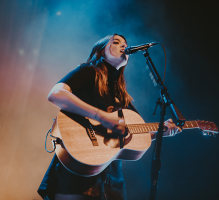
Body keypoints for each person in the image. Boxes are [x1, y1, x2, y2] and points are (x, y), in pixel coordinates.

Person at [38, 34, 181, 200]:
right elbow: (55, 94)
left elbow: (133, 136)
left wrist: (160, 132)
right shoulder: (89, 71)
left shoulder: (122, 95)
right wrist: (101, 116)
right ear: (101, 52)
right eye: (116, 42)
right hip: (78, 167)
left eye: (125, 44)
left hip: (112, 178)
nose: (123, 46)